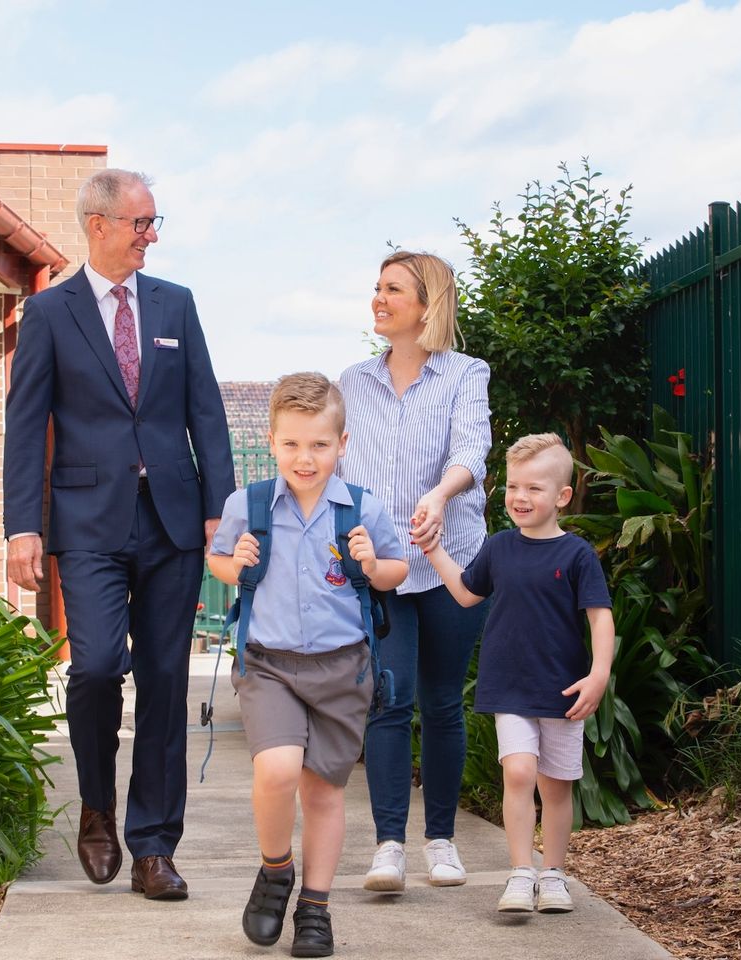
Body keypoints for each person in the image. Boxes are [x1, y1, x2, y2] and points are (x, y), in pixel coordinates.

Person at [3, 168, 235, 900]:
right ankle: (97, 806)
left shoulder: (176, 304)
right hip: (87, 522)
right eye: (141, 223)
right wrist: (21, 527)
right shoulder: (48, 313)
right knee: (98, 665)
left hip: (172, 519)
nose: (151, 236)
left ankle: (154, 847)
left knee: (166, 682)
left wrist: (219, 509)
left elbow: (207, 411)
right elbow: (25, 425)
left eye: (154, 222)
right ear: (97, 224)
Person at [208, 372, 408, 957]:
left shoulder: (363, 507)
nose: (305, 457)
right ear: (272, 442)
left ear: (341, 445)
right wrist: (233, 561)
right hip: (267, 663)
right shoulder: (245, 505)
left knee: (323, 793)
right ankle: (276, 869)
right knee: (275, 770)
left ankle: (315, 907)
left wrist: (373, 564)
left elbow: (397, 572)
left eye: (319, 445)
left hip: (343, 668)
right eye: (292, 444)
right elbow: (220, 561)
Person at [338, 250, 491, 891]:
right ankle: (389, 845)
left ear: (426, 305)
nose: (378, 297)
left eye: (393, 289)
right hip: (384, 567)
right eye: (376, 287)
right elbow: (340, 473)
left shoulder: (464, 373)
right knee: (388, 702)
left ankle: (442, 841)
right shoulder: (351, 382)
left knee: (442, 702)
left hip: (451, 561)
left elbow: (471, 450)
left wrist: (439, 496)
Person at [424, 433, 615, 913]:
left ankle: (553, 874)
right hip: (509, 687)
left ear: (563, 497)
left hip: (563, 690)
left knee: (555, 786)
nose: (520, 497)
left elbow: (600, 617)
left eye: (534, 488)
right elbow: (467, 593)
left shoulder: (577, 555)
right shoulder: (499, 547)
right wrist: (433, 552)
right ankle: (519, 872)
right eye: (513, 487)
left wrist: (598, 676)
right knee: (520, 772)